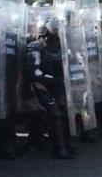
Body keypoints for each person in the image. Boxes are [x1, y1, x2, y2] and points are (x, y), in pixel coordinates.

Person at [26, 12, 76, 159]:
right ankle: (58, 149)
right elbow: (35, 73)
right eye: (52, 28)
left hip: (57, 85)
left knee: (66, 112)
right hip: (40, 86)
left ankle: (66, 144)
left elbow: (70, 65)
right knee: (55, 114)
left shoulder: (62, 47)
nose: (55, 31)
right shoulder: (35, 47)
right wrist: (55, 78)